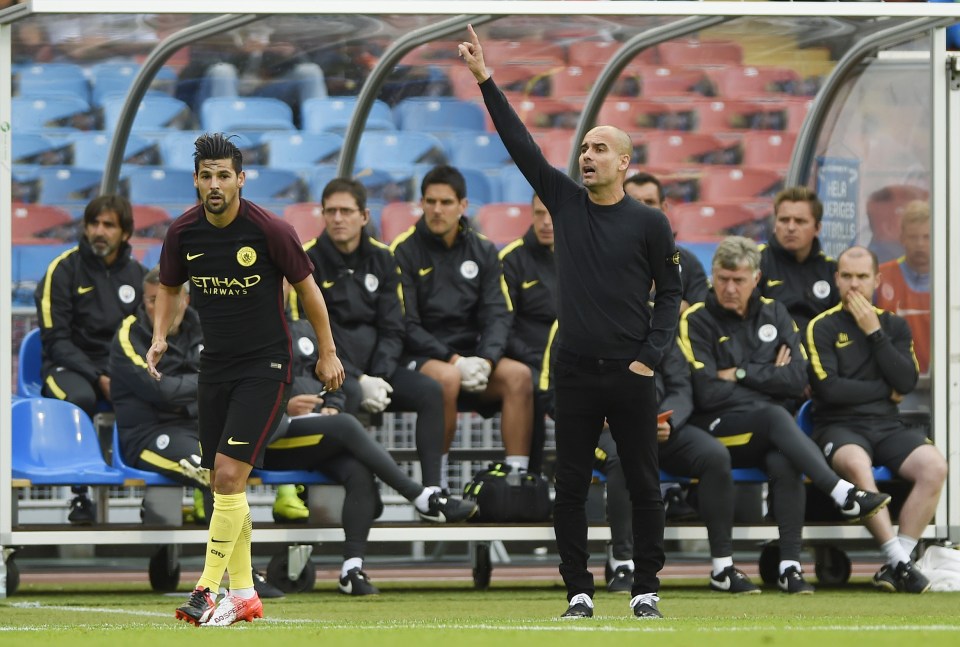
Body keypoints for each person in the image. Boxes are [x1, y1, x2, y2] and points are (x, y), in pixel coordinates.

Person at [459, 25, 682, 620]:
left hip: (632, 371)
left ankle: (646, 589)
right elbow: (520, 144)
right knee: (574, 486)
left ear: (625, 163)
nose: (587, 155)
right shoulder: (562, 201)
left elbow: (672, 294)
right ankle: (578, 590)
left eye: (600, 147)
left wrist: (649, 357)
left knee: (640, 483)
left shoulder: (649, 225)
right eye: (584, 147)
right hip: (575, 371)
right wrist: (486, 80)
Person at [147, 133, 345, 627]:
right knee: (222, 485)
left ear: (240, 179)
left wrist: (328, 351)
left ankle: (205, 592)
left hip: (266, 367)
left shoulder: (270, 230)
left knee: (230, 475)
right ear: (196, 180)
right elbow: (168, 287)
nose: (215, 184)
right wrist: (159, 338)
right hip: (213, 366)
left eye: (224, 175)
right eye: (206, 176)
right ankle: (245, 594)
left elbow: (309, 290)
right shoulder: (183, 233)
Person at [678, 235, 893, 594]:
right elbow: (707, 392)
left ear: (756, 279)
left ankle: (790, 567)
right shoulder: (696, 319)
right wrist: (768, 374)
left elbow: (797, 379)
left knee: (783, 458)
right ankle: (842, 492)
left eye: (739, 280)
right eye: (722, 278)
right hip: (715, 429)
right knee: (775, 416)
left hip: (763, 431)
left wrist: (742, 372)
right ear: (713, 276)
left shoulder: (774, 312)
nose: (729, 288)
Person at [541, 322, 756, 595]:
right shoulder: (570, 320)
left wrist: (669, 419)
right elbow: (548, 391)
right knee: (622, 458)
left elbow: (681, 386)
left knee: (714, 456)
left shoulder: (656, 322)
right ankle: (622, 562)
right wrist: (595, 414)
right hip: (601, 428)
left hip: (658, 425)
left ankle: (722, 567)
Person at [267, 317, 478, 595]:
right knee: (346, 425)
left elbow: (334, 379)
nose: (281, 284)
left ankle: (351, 570)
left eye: (284, 280)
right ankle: (421, 496)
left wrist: (333, 404)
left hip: (315, 431)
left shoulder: (305, 328)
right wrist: (287, 404)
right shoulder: (254, 328)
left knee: (358, 469)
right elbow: (251, 387)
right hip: (273, 436)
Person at [289, 177, 446, 490]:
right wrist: (358, 378)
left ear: (363, 216)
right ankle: (327, 491)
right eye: (330, 211)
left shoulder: (383, 258)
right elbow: (305, 335)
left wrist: (380, 375)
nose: (337, 219)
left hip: (380, 371)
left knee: (431, 392)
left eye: (346, 211)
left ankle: (433, 488)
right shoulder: (305, 262)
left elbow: (393, 326)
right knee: (345, 396)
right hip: (329, 375)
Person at [806, 245, 946, 594]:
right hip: (837, 425)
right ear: (836, 279)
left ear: (876, 280)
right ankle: (899, 561)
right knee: (857, 463)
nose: (855, 285)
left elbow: (907, 381)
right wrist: (885, 390)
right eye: (848, 276)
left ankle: (898, 561)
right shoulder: (820, 327)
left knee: (935, 466)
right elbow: (828, 391)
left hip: (886, 425)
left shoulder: (893, 326)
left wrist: (874, 332)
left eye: (862, 277)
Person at [391, 164, 533, 489]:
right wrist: (453, 360)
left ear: (463, 206)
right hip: (421, 357)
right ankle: (436, 485)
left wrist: (487, 360)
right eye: (430, 202)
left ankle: (516, 480)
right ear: (421, 203)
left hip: (473, 357)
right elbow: (405, 323)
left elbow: (499, 314)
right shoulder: (404, 251)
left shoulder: (482, 250)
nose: (437, 210)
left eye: (446, 202)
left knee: (519, 377)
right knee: (447, 377)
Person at [34, 194, 147, 524]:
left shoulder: (139, 276)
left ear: (125, 233)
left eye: (108, 225)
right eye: (93, 224)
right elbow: (55, 340)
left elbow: (144, 337)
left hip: (118, 368)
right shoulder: (62, 270)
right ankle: (79, 495)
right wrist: (99, 376)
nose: (99, 231)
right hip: (67, 365)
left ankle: (149, 493)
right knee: (79, 398)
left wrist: (123, 376)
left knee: (157, 396)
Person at [498, 193, 556, 473]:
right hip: (529, 360)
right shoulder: (511, 260)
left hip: (573, 357)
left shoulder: (584, 256)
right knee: (536, 386)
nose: (546, 222)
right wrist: (538, 361)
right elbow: (501, 325)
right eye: (539, 214)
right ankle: (529, 478)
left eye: (552, 214)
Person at [623, 172, 710, 313]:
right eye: (635, 202)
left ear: (663, 208)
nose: (643, 209)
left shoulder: (688, 262)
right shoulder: (602, 256)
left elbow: (702, 313)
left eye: (650, 202)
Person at [758, 186, 839, 335]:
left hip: (820, 351)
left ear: (817, 228)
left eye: (800, 221)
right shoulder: (755, 263)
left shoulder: (833, 271)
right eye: (784, 220)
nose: (790, 227)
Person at [874, 200, 930, 376]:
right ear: (902, 238)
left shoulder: (951, 281)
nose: (920, 244)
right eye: (913, 237)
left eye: (927, 237)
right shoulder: (880, 278)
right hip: (893, 383)